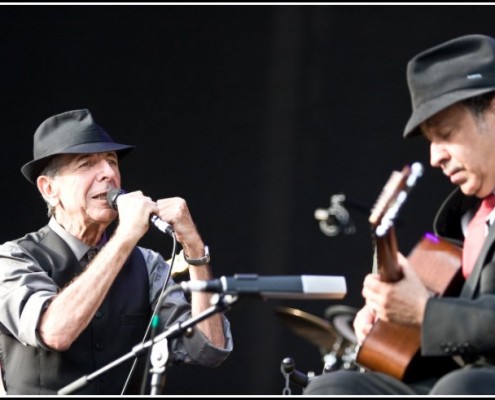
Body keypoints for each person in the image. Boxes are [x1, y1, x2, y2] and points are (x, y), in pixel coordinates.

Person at [304, 33, 495, 396]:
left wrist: (424, 311)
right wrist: (395, 320)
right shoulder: (464, 218)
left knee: (464, 386)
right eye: (429, 140)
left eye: (446, 134)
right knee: (333, 389)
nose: (434, 157)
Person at [0, 109, 233, 395]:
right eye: (86, 164)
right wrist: (125, 236)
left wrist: (194, 247)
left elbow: (210, 350)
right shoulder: (13, 259)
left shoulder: (147, 266)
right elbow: (54, 332)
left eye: (111, 162)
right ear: (49, 189)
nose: (109, 174)